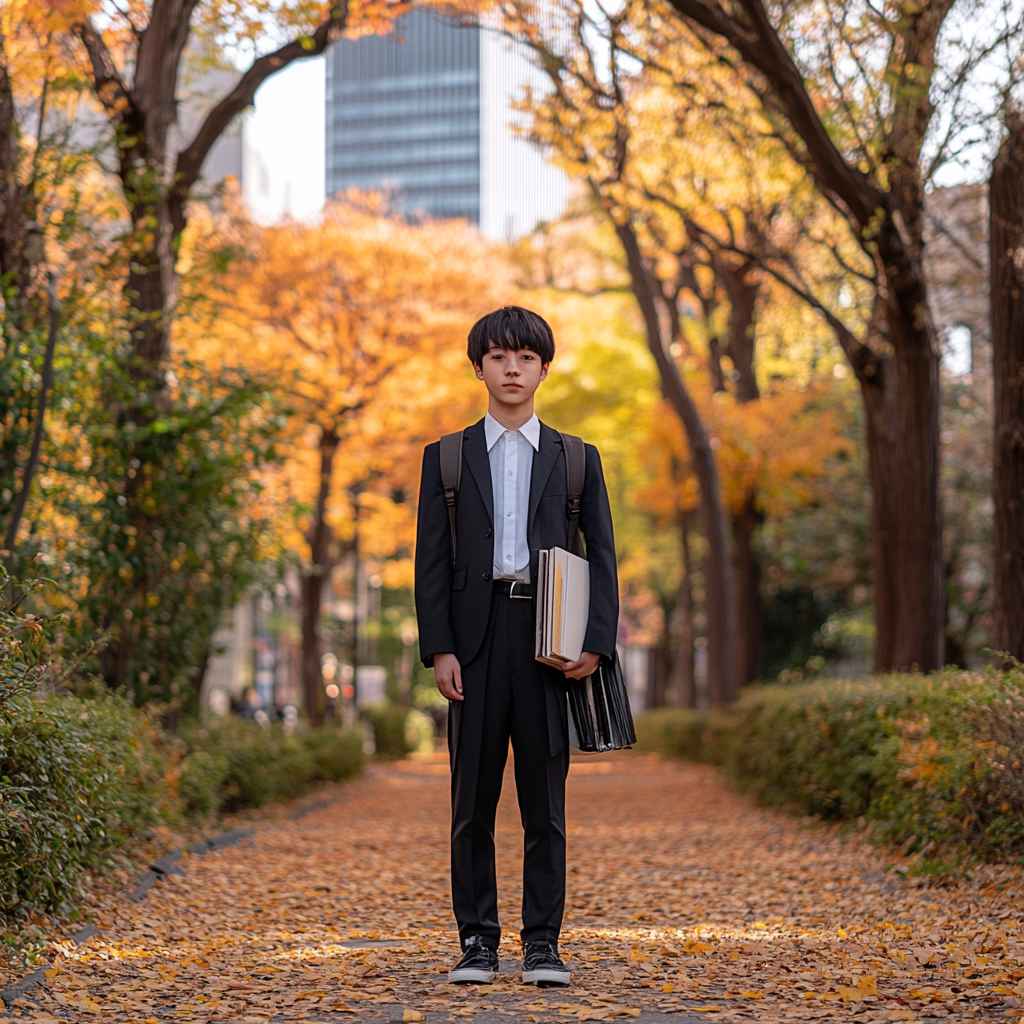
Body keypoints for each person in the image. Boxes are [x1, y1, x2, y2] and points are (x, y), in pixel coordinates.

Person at [414, 306, 618, 987]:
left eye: (525, 358)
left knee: (545, 803)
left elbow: (605, 557)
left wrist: (596, 643)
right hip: (471, 643)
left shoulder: (577, 459)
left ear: (543, 368)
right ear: (479, 367)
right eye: (498, 357)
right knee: (470, 801)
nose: (511, 368)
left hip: (548, 644)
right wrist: (439, 646)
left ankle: (542, 945)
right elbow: (431, 563)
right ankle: (476, 941)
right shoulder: (445, 457)